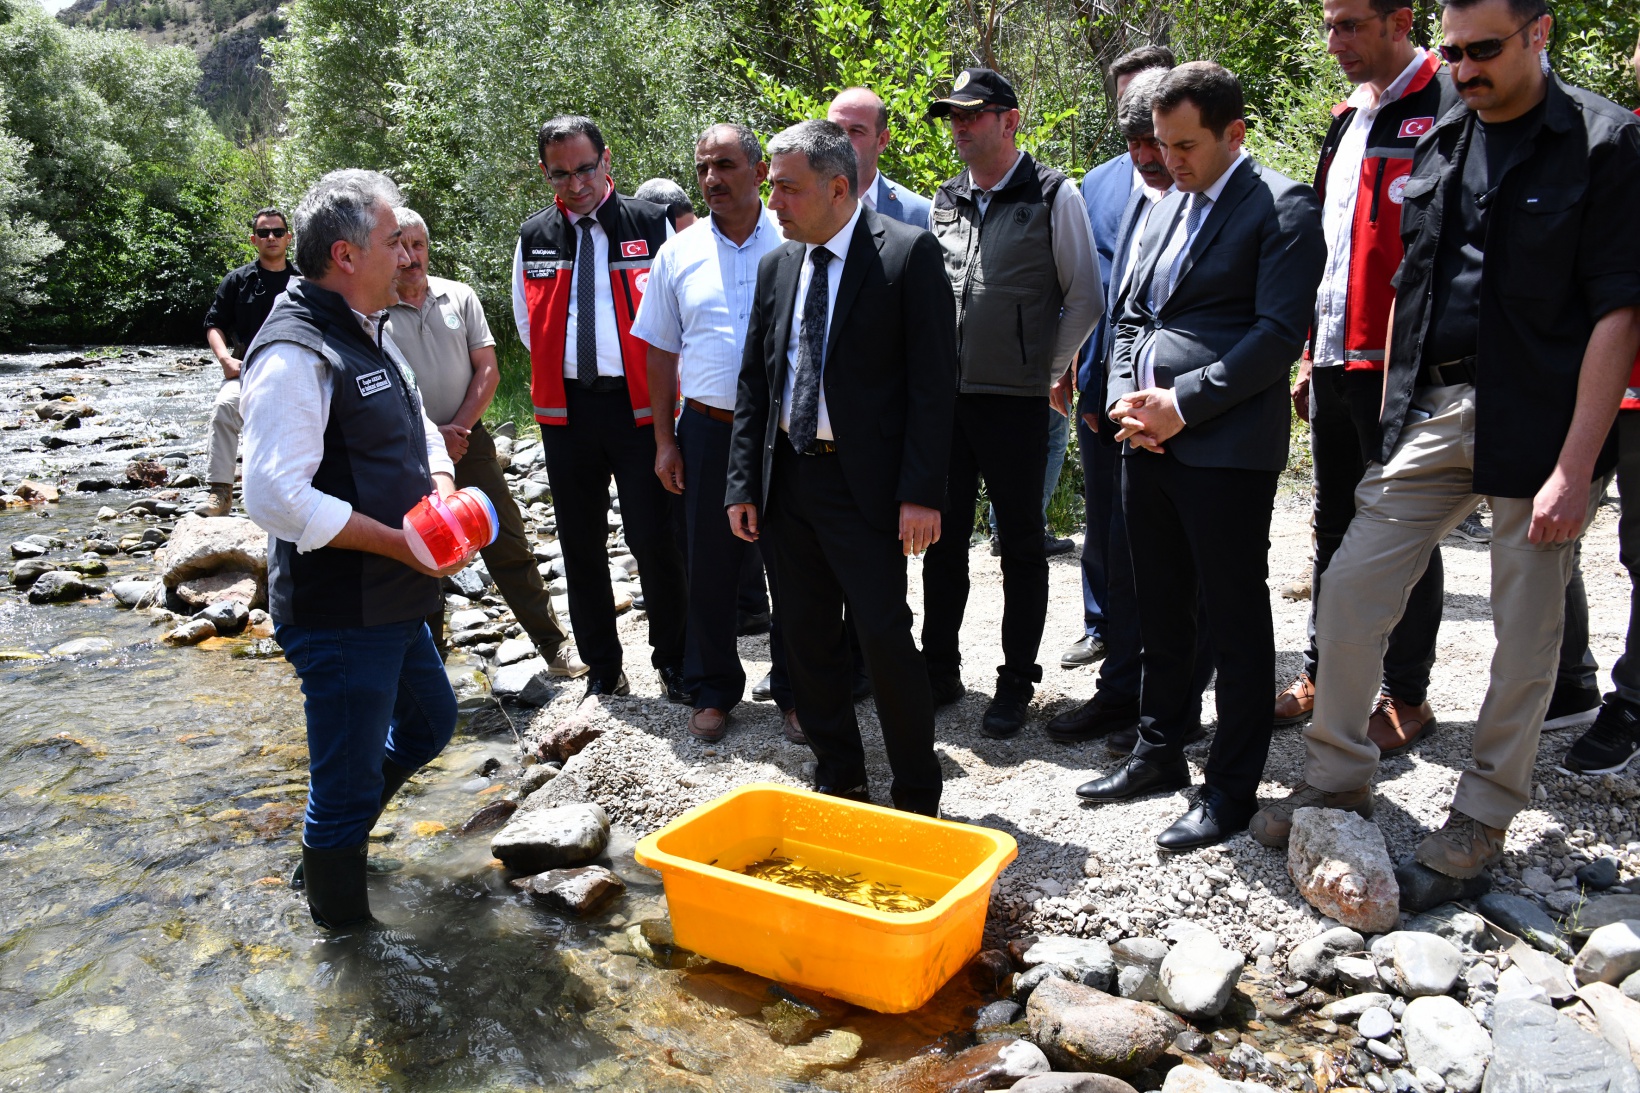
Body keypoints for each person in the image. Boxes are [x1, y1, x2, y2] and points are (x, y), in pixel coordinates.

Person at [1252, 0, 1640, 881]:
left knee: (1526, 626)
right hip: (1438, 406)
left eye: (1484, 50)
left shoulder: (1605, 143)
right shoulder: (1444, 138)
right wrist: (1394, 414)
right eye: (1454, 51)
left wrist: (1578, 466)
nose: (1464, 68)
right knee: (1351, 587)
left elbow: (1621, 309)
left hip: (1545, 417)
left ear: (1539, 34)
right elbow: (1413, 286)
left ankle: (1482, 814)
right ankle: (1337, 780)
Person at [1077, 62, 1326, 852]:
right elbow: (1127, 315)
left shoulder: (1281, 206)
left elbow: (1277, 335)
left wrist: (1181, 405)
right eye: (1160, 144)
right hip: (1140, 439)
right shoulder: (1161, 206)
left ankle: (1229, 786)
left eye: (1186, 145)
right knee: (1156, 602)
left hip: (1223, 449)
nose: (1170, 159)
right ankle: (1158, 750)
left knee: (1233, 614)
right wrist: (1130, 402)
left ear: (1234, 134)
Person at [240, 170, 464, 930]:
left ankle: (331, 848)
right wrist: (401, 544)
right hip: (340, 613)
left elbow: (419, 422)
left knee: (431, 725)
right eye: (392, 240)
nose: (407, 254)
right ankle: (346, 949)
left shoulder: (367, 324)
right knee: (340, 788)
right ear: (344, 254)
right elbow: (271, 494)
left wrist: (437, 483)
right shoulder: (294, 348)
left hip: (395, 596)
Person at [726, 119, 956, 815]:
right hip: (789, 481)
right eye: (773, 188)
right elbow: (755, 384)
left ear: (836, 186)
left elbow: (933, 386)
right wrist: (743, 482)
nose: (774, 203)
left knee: (884, 635)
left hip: (869, 489)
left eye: (788, 189)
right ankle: (840, 773)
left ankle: (917, 789)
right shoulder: (778, 264)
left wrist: (921, 493)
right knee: (804, 636)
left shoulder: (907, 255)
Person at [1275, 0, 1460, 752]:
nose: (1335, 42)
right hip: (1334, 359)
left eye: (1350, 24)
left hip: (1403, 365)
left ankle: (1406, 694)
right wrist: (1308, 352)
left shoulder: (1446, 102)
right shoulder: (1345, 117)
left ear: (1401, 20)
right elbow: (1331, 246)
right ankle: (1325, 671)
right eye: (1328, 25)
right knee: (1333, 523)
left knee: (1406, 530)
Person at [921, 68, 1102, 738]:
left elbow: (1084, 296)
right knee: (941, 544)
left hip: (1017, 405)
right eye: (953, 116)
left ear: (1010, 119)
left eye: (973, 114)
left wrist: (1043, 369)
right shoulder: (944, 200)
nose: (961, 126)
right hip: (949, 406)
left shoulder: (1055, 194)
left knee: (1020, 546)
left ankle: (1015, 681)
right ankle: (938, 669)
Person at [1050, 66, 1222, 752]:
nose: (1151, 163)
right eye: (1138, 148)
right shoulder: (1101, 188)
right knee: (1120, 554)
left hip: (1200, 414)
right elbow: (1109, 302)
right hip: (1116, 409)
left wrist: (1176, 404)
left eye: (1163, 147)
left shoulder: (1240, 200)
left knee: (1197, 565)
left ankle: (1181, 703)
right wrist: (1107, 391)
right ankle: (1123, 689)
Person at [511, 115, 690, 700]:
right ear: (546, 174)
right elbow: (525, 321)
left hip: (641, 412)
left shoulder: (651, 222)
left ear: (606, 161)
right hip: (567, 415)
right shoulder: (533, 234)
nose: (576, 182)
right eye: (561, 173)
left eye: (585, 168)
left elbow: (680, 316)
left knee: (654, 540)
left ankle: (674, 661)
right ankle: (604, 671)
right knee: (579, 546)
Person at [632, 124, 797, 743]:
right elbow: (658, 349)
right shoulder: (679, 250)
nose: (711, 180)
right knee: (708, 563)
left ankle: (795, 689)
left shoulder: (794, 234)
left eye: (725, 165)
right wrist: (664, 441)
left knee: (793, 564)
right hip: (706, 428)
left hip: (786, 432)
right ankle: (712, 688)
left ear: (759, 172)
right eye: (703, 168)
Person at [383, 207, 585, 677]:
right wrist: (434, 439)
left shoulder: (459, 296)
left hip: (469, 443)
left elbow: (488, 369)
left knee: (506, 541)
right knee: (421, 553)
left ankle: (555, 648)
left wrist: (458, 430)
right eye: (401, 247)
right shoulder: (374, 310)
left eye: (419, 246)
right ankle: (427, 670)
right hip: (407, 453)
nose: (411, 257)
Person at [1060, 44, 1176, 674]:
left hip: (1174, 388)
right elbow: (1087, 278)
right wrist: (1070, 357)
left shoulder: (1203, 180)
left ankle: (1160, 646)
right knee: (1102, 512)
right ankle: (1103, 624)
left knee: (1156, 523)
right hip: (1102, 370)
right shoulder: (1100, 182)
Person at [1560, 29, 1640, 774]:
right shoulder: (1612, 133)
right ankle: (1571, 679)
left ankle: (1633, 706)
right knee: (1552, 528)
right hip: (1589, 376)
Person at [199, 208, 299, 517]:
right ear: (253, 239)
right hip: (247, 369)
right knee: (224, 409)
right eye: (265, 233)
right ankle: (220, 493)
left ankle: (298, 492)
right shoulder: (237, 280)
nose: (272, 238)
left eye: (278, 232)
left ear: (289, 238)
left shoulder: (304, 283)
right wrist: (224, 358)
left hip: (295, 371)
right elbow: (213, 324)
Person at [826, 87, 933, 227]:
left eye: (856, 131)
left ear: (882, 140)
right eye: (834, 129)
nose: (842, 140)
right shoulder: (800, 203)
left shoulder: (918, 214)